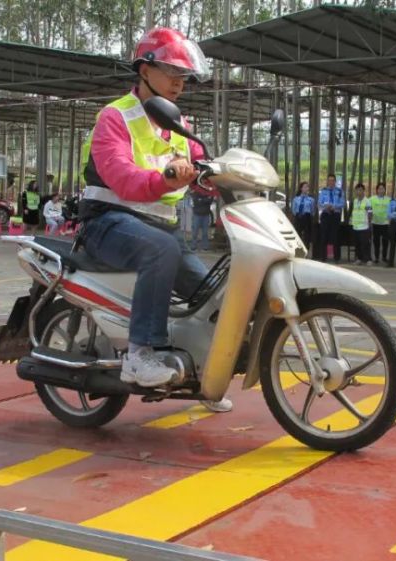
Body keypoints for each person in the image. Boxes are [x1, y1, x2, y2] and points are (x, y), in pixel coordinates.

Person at [76, 27, 231, 412]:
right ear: (144, 70)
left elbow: (202, 165)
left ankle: (203, 374)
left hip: (158, 226)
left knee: (210, 291)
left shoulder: (178, 126)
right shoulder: (115, 117)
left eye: (184, 76)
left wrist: (224, 178)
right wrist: (166, 177)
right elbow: (123, 179)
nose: (180, 82)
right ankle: (140, 354)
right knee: (161, 250)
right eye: (170, 72)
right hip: (107, 221)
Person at [317, 174, 345, 262]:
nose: (331, 182)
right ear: (327, 181)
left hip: (335, 215)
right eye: (329, 180)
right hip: (325, 214)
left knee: (336, 236)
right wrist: (326, 206)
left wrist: (334, 206)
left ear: (335, 181)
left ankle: (337, 257)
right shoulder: (323, 191)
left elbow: (343, 203)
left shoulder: (340, 191)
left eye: (333, 180)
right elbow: (319, 203)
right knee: (324, 235)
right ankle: (323, 257)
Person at [350, 183, 373, 265]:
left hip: (364, 226)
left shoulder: (367, 201)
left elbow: (370, 213)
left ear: (363, 191)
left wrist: (369, 224)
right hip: (356, 226)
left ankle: (368, 259)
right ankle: (359, 258)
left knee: (365, 244)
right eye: (357, 190)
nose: (358, 192)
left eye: (360, 190)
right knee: (357, 244)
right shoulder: (355, 201)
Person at [370, 182, 390, 264]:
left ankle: (384, 257)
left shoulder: (388, 199)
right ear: (377, 190)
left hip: (385, 223)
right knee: (376, 241)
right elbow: (368, 208)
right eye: (379, 189)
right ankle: (377, 257)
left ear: (385, 190)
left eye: (383, 188)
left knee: (385, 241)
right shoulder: (372, 199)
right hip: (375, 223)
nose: (381, 190)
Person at [291, 181, 314, 252]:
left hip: (307, 217)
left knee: (307, 235)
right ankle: (298, 250)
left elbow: (312, 210)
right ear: (301, 188)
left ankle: (306, 249)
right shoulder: (296, 199)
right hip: (298, 217)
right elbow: (294, 210)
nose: (306, 188)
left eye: (307, 187)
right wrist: (298, 215)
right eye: (305, 187)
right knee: (298, 234)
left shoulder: (311, 200)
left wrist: (307, 215)